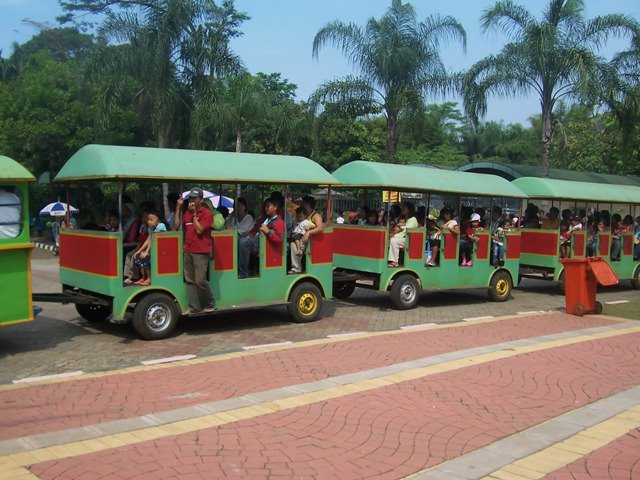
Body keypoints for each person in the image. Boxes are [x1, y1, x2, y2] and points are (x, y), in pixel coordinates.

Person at [175, 187, 216, 314]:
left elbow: (199, 230)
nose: (192, 200)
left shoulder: (206, 214)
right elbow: (177, 226)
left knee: (200, 280)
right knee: (190, 280)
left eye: (195, 198)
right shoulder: (186, 213)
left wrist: (193, 214)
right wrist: (178, 209)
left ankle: (210, 303)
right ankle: (194, 306)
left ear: (201, 200)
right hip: (188, 250)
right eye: (190, 198)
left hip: (201, 251)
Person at [239, 198, 285, 278]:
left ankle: (243, 273)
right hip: (255, 239)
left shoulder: (279, 222)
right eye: (265, 207)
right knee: (239, 241)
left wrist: (268, 232)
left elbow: (279, 240)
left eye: (268, 206)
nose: (266, 208)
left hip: (264, 243)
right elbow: (254, 229)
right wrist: (249, 235)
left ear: (275, 207)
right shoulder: (263, 218)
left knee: (243, 242)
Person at [289, 195, 324, 274]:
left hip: (309, 242)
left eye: (304, 204)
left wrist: (309, 232)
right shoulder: (303, 215)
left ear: (309, 205)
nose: (302, 206)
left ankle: (296, 268)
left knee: (293, 245)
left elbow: (320, 228)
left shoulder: (316, 215)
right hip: (300, 238)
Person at [132, 211, 167, 286]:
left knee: (146, 258)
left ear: (158, 220)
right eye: (148, 219)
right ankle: (143, 278)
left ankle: (149, 278)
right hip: (153, 249)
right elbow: (148, 240)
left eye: (152, 220)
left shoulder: (161, 226)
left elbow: (153, 239)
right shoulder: (150, 229)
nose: (149, 222)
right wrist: (139, 250)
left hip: (162, 250)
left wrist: (147, 251)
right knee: (138, 256)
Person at [387, 202, 418, 267]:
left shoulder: (413, 219)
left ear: (409, 210)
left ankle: (395, 261)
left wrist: (395, 235)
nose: (402, 209)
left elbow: (406, 230)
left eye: (404, 208)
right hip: (404, 238)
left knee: (394, 241)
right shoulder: (404, 219)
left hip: (410, 240)